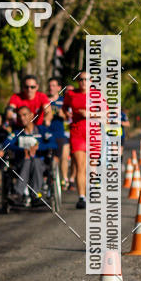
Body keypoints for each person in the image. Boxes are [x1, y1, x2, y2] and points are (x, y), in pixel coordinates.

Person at [4, 105, 57, 206]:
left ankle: (35, 194)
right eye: (19, 116)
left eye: (24, 115)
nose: (22, 118)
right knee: (28, 161)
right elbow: (7, 144)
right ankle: (19, 194)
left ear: (32, 115)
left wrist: (39, 147)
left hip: (40, 162)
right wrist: (22, 149)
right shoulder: (17, 132)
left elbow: (53, 144)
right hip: (22, 163)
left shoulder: (41, 130)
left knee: (35, 161)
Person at [63, 72, 90, 209]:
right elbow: (64, 108)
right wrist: (66, 113)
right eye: (81, 79)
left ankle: (90, 190)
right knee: (80, 165)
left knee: (88, 167)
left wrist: (89, 114)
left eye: (86, 79)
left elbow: (106, 115)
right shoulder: (71, 94)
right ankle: (82, 197)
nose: (83, 82)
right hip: (77, 132)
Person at [47, 77, 70, 188]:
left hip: (60, 133)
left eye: (53, 85)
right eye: (50, 85)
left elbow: (68, 117)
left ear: (59, 88)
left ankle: (64, 178)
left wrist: (62, 114)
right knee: (49, 159)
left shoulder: (63, 101)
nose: (51, 88)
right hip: (46, 133)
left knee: (64, 156)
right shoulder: (44, 99)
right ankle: (48, 179)